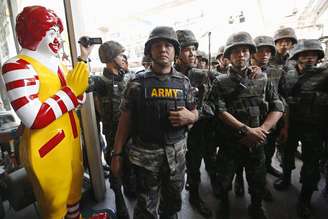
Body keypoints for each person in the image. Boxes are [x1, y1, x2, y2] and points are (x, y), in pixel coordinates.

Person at [0, 5, 106, 219]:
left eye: (57, 33)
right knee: (54, 205)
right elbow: (34, 117)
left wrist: (78, 78)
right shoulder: (16, 66)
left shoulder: (56, 63)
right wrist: (71, 93)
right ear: (34, 33)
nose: (57, 38)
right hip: (46, 149)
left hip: (71, 141)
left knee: (73, 193)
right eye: (51, 33)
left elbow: (78, 97)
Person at [111, 26, 198, 219]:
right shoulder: (136, 83)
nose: (163, 49)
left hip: (176, 157)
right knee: (145, 208)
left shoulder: (184, 82)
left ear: (175, 51)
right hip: (146, 158)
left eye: (168, 45)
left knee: (173, 204)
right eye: (157, 45)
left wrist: (192, 117)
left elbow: (194, 111)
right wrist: (116, 154)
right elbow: (125, 120)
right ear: (150, 51)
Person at [208, 31, 284, 219]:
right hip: (230, 142)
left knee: (257, 180)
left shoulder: (263, 79)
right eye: (235, 52)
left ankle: (256, 206)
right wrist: (245, 130)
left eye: (244, 51)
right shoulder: (220, 82)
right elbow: (219, 109)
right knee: (224, 180)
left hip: (256, 142)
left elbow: (278, 105)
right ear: (228, 56)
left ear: (251, 54)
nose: (241, 55)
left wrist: (261, 131)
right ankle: (224, 204)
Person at [276, 39, 328, 218]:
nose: (309, 59)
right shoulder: (287, 71)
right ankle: (286, 178)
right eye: (305, 55)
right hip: (290, 123)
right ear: (297, 56)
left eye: (313, 55)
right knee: (286, 152)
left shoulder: (324, 74)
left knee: (311, 162)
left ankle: (305, 198)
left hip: (314, 125)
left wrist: (315, 98)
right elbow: (280, 94)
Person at [92, 40, 134, 218]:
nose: (124, 57)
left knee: (133, 167)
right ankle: (118, 199)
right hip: (112, 135)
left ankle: (131, 189)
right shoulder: (100, 82)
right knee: (116, 170)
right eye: (120, 54)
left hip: (133, 135)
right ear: (109, 58)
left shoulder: (130, 77)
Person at [175, 29, 213, 218]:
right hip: (172, 134)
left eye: (194, 49)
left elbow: (212, 105)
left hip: (197, 132)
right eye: (186, 49)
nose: (192, 53)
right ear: (176, 52)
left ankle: (195, 197)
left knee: (195, 165)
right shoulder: (165, 75)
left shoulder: (202, 75)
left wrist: (194, 116)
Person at [253, 35, 284, 178]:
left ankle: (267, 168)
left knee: (269, 148)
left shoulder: (277, 71)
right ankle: (240, 180)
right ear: (253, 52)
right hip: (252, 119)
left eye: (268, 51)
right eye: (261, 50)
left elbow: (282, 97)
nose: (265, 54)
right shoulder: (244, 70)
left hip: (272, 119)